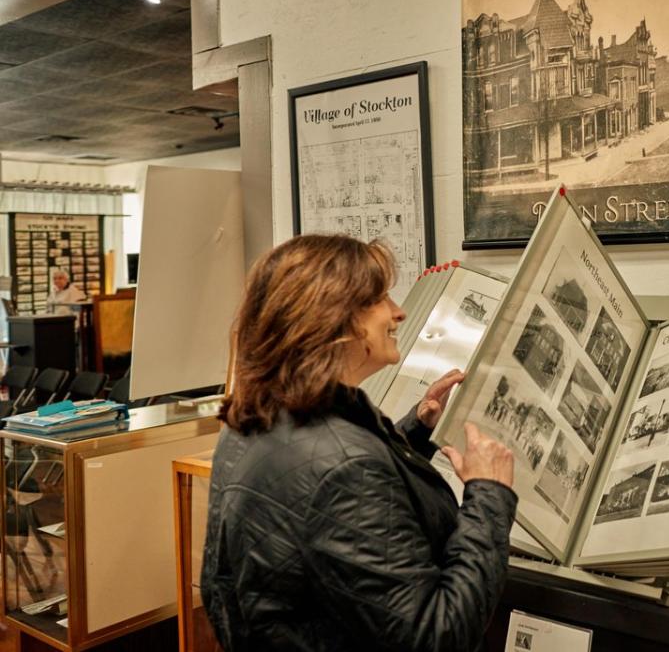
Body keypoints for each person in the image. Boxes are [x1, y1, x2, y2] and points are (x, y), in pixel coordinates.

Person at [201, 235, 517, 651]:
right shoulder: (345, 467)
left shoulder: (255, 417)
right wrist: (489, 496)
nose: (398, 312)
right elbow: (437, 635)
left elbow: (323, 500)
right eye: (381, 299)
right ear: (337, 321)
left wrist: (415, 431)